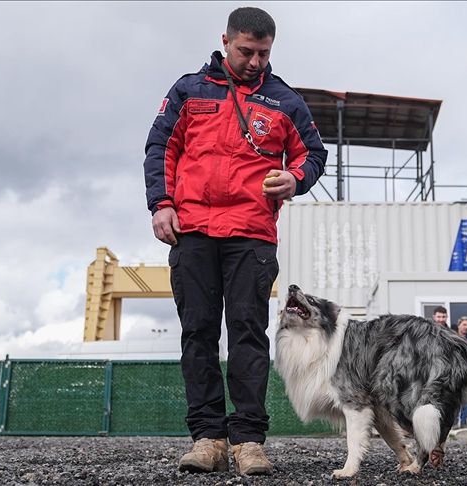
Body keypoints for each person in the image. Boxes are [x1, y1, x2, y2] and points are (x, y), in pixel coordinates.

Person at [143, 7, 327, 475]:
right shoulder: (189, 90)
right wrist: (161, 203)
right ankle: (207, 439)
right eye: (247, 51)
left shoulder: (285, 100)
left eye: (264, 53)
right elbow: (161, 145)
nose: (255, 61)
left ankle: (249, 441)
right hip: (193, 231)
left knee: (249, 334)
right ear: (225, 40)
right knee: (198, 333)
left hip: (251, 234)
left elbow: (312, 153)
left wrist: (296, 178)